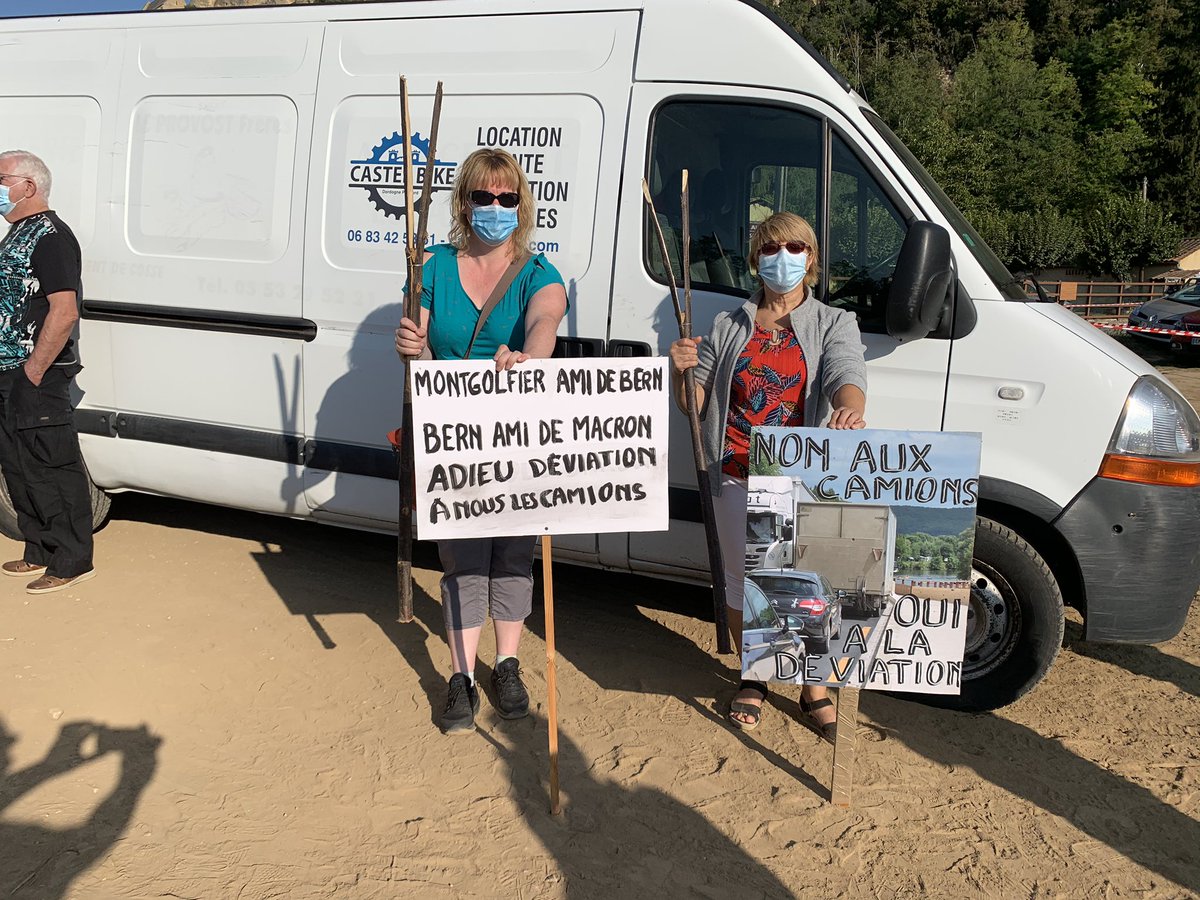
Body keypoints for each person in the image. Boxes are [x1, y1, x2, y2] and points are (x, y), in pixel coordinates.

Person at [668, 212, 867, 740]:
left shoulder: (833, 322)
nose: (785, 257)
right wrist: (681, 372)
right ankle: (754, 675)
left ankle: (813, 689)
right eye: (772, 247)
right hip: (735, 470)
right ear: (756, 259)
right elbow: (695, 404)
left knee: (812, 582)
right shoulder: (728, 325)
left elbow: (846, 373)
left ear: (812, 257)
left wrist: (849, 408)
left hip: (801, 474)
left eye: (796, 247)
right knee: (745, 583)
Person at [395, 148, 568, 734]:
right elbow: (416, 337)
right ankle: (462, 676)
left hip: (516, 436)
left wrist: (528, 358)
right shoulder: (431, 265)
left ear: (520, 204)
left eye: (506, 197)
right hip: (449, 436)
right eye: (483, 197)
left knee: (513, 555)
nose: (494, 207)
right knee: (462, 559)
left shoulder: (538, 271)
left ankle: (509, 663)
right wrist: (409, 344)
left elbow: (544, 323)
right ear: (464, 202)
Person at [0, 149, 95, 595]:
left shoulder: (52, 237)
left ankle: (72, 559)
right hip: (8, 374)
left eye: (2, 180)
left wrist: (33, 372)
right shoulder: (17, 233)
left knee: (52, 463)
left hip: (35, 375)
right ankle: (39, 547)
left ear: (29, 187)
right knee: (19, 466)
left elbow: (64, 311)